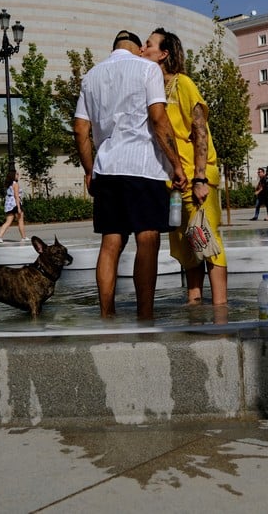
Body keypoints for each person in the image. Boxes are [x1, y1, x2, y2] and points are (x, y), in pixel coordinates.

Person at [73, 29, 187, 319]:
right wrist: (176, 163)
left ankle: (107, 315)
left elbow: (80, 129)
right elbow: (159, 118)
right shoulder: (147, 69)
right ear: (137, 49)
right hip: (142, 167)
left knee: (111, 243)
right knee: (147, 238)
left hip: (107, 169)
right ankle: (145, 316)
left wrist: (89, 171)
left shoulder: (91, 76)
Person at [140, 27, 227, 306]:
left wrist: (200, 177)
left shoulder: (183, 84)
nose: (143, 48)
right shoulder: (153, 90)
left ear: (164, 54)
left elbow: (200, 129)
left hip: (196, 177)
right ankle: (194, 302)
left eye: (149, 44)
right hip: (172, 183)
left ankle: (220, 308)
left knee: (208, 241)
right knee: (187, 245)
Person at [0, 168, 28, 243]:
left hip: (9, 204)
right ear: (13, 175)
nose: (18, 175)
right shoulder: (15, 184)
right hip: (15, 204)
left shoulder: (9, 184)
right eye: (17, 174)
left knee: (8, 221)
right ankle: (24, 237)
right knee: (20, 220)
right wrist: (19, 207)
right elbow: (16, 196)